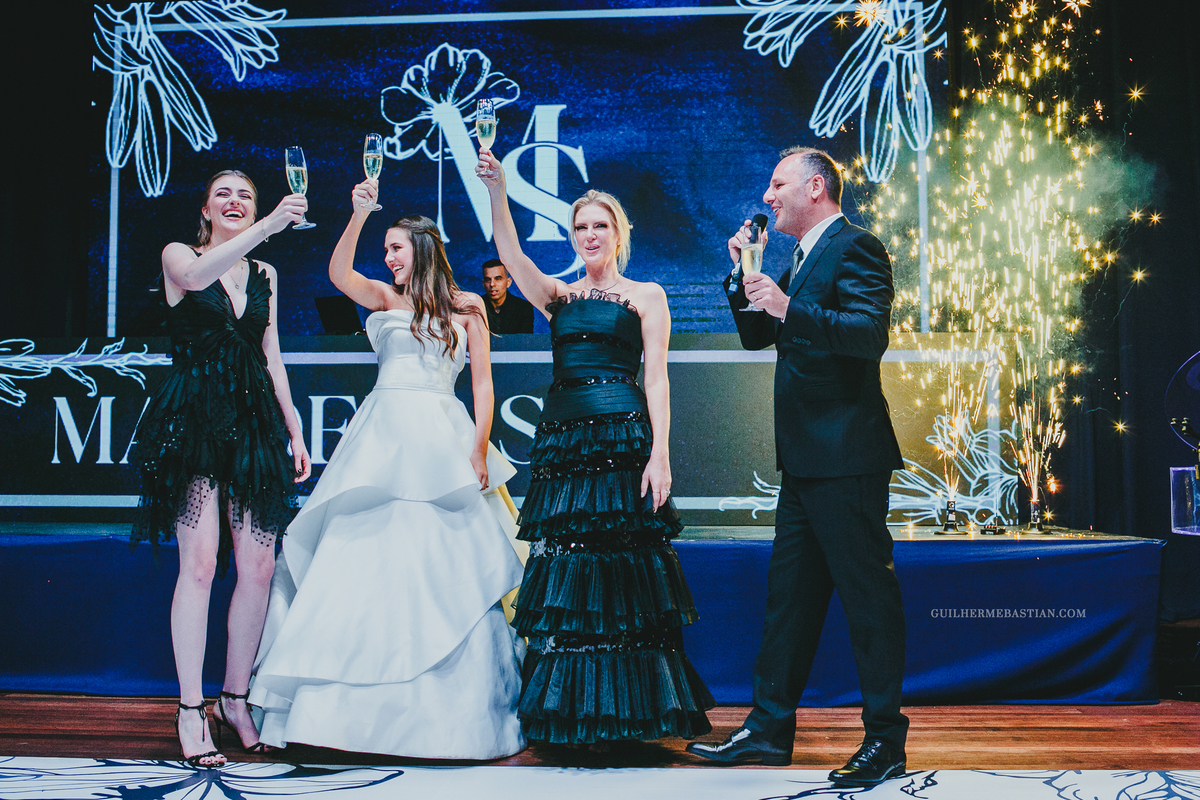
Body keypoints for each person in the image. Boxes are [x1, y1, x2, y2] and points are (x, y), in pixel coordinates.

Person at [247, 178, 527, 760]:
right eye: (386, 249)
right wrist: (358, 215)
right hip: (382, 438)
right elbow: (338, 274)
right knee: (363, 557)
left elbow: (483, 387)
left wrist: (479, 449)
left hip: (442, 439)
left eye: (396, 247)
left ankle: (450, 722)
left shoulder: (468, 307)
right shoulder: (382, 296)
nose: (389, 257)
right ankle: (337, 722)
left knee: (446, 563)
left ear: (421, 248)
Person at [477, 148, 713, 746]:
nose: (589, 234)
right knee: (570, 568)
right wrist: (499, 191)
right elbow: (511, 254)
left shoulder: (647, 295)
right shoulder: (557, 295)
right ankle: (576, 715)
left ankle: (630, 716)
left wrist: (660, 453)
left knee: (624, 573)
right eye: (580, 226)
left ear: (617, 234)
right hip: (565, 445)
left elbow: (656, 378)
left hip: (624, 440)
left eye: (599, 225)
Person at [686, 148, 907, 786]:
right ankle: (768, 730)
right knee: (789, 600)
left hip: (847, 457)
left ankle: (885, 740)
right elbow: (759, 335)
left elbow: (868, 336)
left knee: (867, 599)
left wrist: (789, 307)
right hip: (807, 461)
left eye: (777, 184)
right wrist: (743, 276)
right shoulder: (800, 257)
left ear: (816, 187)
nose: (767, 195)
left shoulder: (857, 246)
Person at [131, 170, 313, 768]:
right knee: (202, 563)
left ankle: (235, 700)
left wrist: (293, 428)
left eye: (246, 196)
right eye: (224, 195)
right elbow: (194, 279)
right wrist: (269, 225)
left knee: (258, 567)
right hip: (195, 419)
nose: (235, 202)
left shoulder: (266, 274)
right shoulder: (179, 255)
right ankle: (190, 709)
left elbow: (271, 355)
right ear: (206, 209)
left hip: (254, 421)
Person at [481, 257, 535, 333]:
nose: (492, 284)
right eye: (488, 280)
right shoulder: (475, 307)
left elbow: (525, 339)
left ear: (508, 282)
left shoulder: (523, 308)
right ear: (483, 284)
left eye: (498, 278)